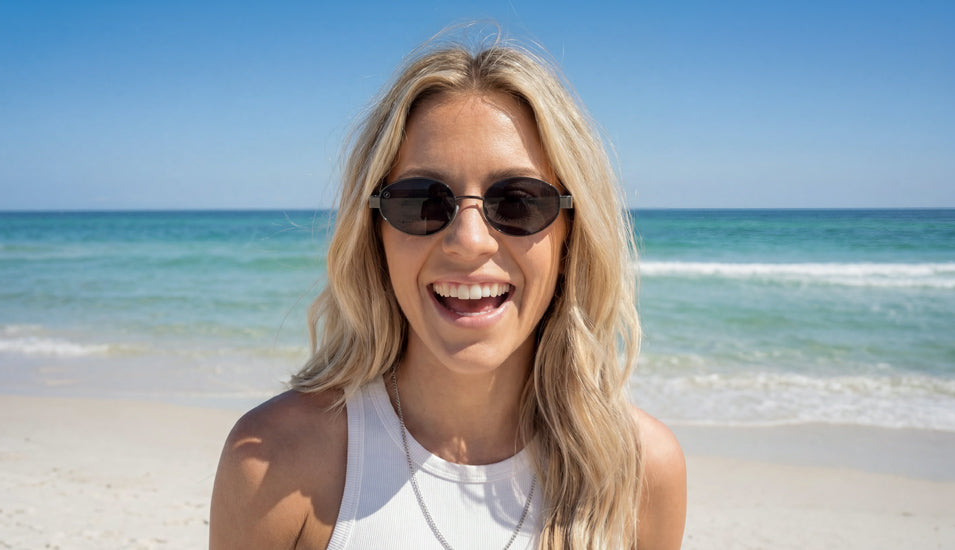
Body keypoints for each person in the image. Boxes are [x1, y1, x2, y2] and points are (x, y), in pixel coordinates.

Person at [210, 29, 686, 550]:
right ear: (375, 232)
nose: (469, 240)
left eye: (518, 202)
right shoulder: (274, 460)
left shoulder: (641, 472)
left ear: (572, 231)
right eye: (422, 202)